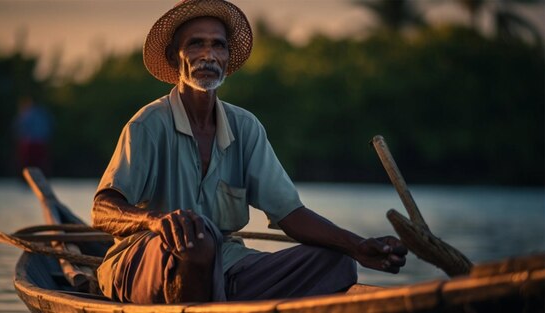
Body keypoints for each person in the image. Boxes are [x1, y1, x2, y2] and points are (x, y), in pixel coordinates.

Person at [92, 0, 407, 304]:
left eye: (218, 45)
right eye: (195, 44)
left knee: (336, 263)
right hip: (146, 260)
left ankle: (218, 298)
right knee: (197, 241)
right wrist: (154, 220)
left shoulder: (246, 127)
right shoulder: (148, 124)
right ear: (176, 58)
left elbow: (290, 214)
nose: (209, 55)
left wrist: (358, 245)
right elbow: (102, 209)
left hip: (226, 264)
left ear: (228, 57)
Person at [14, 95, 53, 176]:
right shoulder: (42, 113)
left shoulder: (26, 114)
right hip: (38, 143)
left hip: (30, 143)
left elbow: (19, 128)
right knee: (37, 164)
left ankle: (30, 178)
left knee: (29, 163)